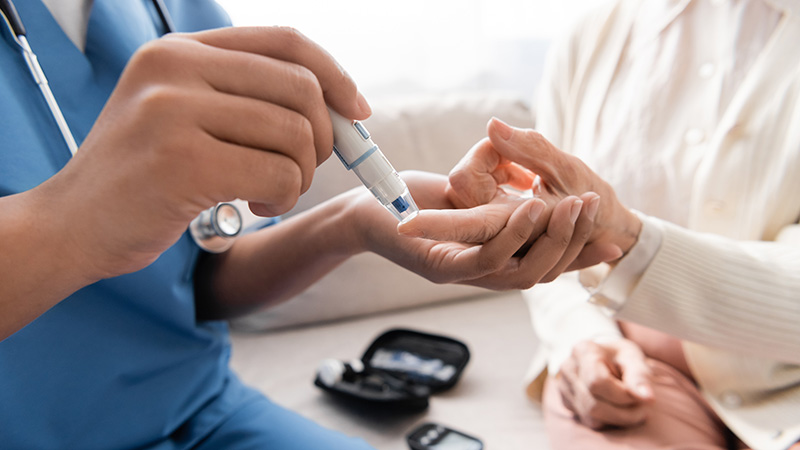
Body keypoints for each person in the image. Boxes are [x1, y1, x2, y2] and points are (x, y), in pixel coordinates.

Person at [0, 1, 602, 449]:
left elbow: (204, 279)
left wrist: (354, 224)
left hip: (199, 415)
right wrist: (72, 220)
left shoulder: (167, 9)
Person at [401, 0, 800, 448]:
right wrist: (580, 336)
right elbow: (553, 240)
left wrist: (628, 237)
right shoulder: (591, 36)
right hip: (630, 370)